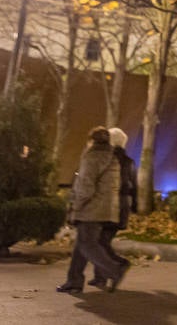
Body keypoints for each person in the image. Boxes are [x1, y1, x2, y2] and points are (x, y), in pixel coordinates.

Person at [57, 125, 127, 294]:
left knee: (88, 245)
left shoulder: (92, 157)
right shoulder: (111, 157)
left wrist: (75, 206)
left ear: (91, 141)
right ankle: (74, 280)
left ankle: (114, 269)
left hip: (90, 208)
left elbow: (85, 188)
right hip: (105, 208)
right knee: (81, 246)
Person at [87, 127, 137, 288]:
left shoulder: (108, 159)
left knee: (99, 240)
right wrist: (134, 205)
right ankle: (100, 276)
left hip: (109, 205)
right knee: (102, 239)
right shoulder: (129, 161)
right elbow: (134, 185)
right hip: (122, 206)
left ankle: (119, 264)